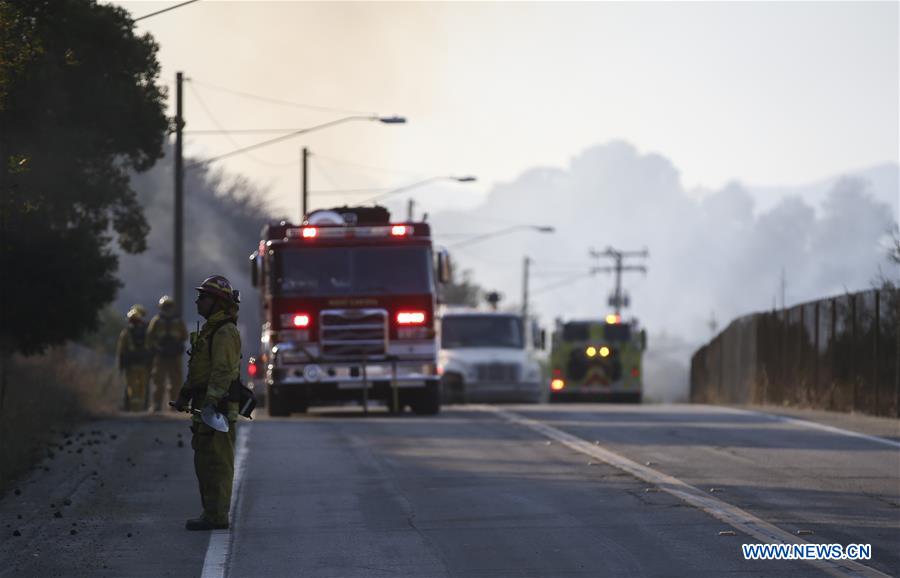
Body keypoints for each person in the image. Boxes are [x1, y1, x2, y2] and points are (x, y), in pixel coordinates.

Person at [173, 275, 242, 531]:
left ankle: (218, 516)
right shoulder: (210, 331)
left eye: (203, 297)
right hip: (206, 407)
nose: (197, 301)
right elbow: (199, 369)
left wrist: (212, 402)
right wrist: (185, 395)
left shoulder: (225, 332)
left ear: (218, 302)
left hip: (218, 409)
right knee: (204, 462)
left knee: (218, 464)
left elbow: (222, 371)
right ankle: (210, 512)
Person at [147, 295, 188, 411]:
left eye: (169, 307)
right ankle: (156, 405)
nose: (167, 309)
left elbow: (184, 336)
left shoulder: (178, 321)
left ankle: (173, 406)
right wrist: (156, 348)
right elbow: (150, 337)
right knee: (158, 380)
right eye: (166, 307)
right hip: (161, 354)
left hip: (175, 355)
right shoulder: (156, 320)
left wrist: (178, 345)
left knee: (176, 381)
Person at [116, 304, 152, 412]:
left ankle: (134, 408)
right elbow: (151, 348)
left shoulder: (126, 332)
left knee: (132, 387)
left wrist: (120, 365)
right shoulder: (147, 332)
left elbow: (121, 350)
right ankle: (141, 408)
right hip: (144, 365)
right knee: (142, 387)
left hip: (131, 365)